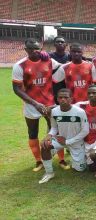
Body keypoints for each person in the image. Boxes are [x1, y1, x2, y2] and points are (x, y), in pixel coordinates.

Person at [12, 38, 68, 172]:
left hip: (49, 104)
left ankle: (61, 159)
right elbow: (17, 89)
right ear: (26, 50)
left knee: (55, 131)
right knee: (32, 133)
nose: (35, 51)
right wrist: (35, 104)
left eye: (37, 48)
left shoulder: (48, 60)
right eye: (31, 49)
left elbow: (63, 67)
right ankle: (38, 161)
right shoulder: (19, 65)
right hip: (31, 106)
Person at [38, 88, 89, 184]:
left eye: (66, 97)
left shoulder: (80, 112)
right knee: (45, 145)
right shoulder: (54, 112)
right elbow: (54, 128)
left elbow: (85, 131)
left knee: (80, 169)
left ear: (71, 99)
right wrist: (49, 135)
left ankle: (84, 157)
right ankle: (49, 173)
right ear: (57, 99)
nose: (63, 100)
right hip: (60, 139)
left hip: (75, 142)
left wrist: (68, 142)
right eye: (60, 97)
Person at [49, 36, 69, 105]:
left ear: (66, 44)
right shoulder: (49, 56)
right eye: (58, 42)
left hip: (67, 86)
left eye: (62, 42)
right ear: (54, 44)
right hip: (53, 87)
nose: (60, 43)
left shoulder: (70, 56)